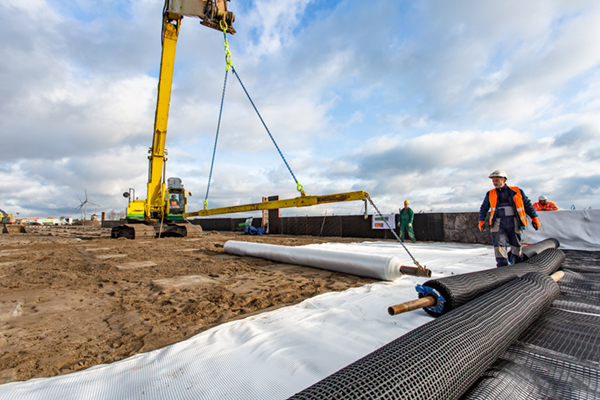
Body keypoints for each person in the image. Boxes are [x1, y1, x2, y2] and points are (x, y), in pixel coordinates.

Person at [478, 170, 540, 267]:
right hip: (498, 222)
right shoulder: (490, 194)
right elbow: (484, 208)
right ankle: (502, 266)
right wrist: (481, 220)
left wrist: (534, 218)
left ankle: (518, 264)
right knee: (499, 246)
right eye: (493, 181)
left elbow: (527, 205)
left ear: (504, 180)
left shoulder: (517, 191)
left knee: (516, 245)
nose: (495, 183)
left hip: (514, 221)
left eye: (497, 180)